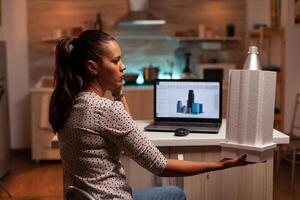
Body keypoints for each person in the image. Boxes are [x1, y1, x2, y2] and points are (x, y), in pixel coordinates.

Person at [49, 30, 248, 200]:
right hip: (113, 197)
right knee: (175, 193)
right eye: (116, 60)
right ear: (92, 67)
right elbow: (159, 166)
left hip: (88, 197)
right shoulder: (105, 109)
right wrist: (217, 165)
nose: (123, 66)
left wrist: (119, 94)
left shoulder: (68, 103)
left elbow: (127, 129)